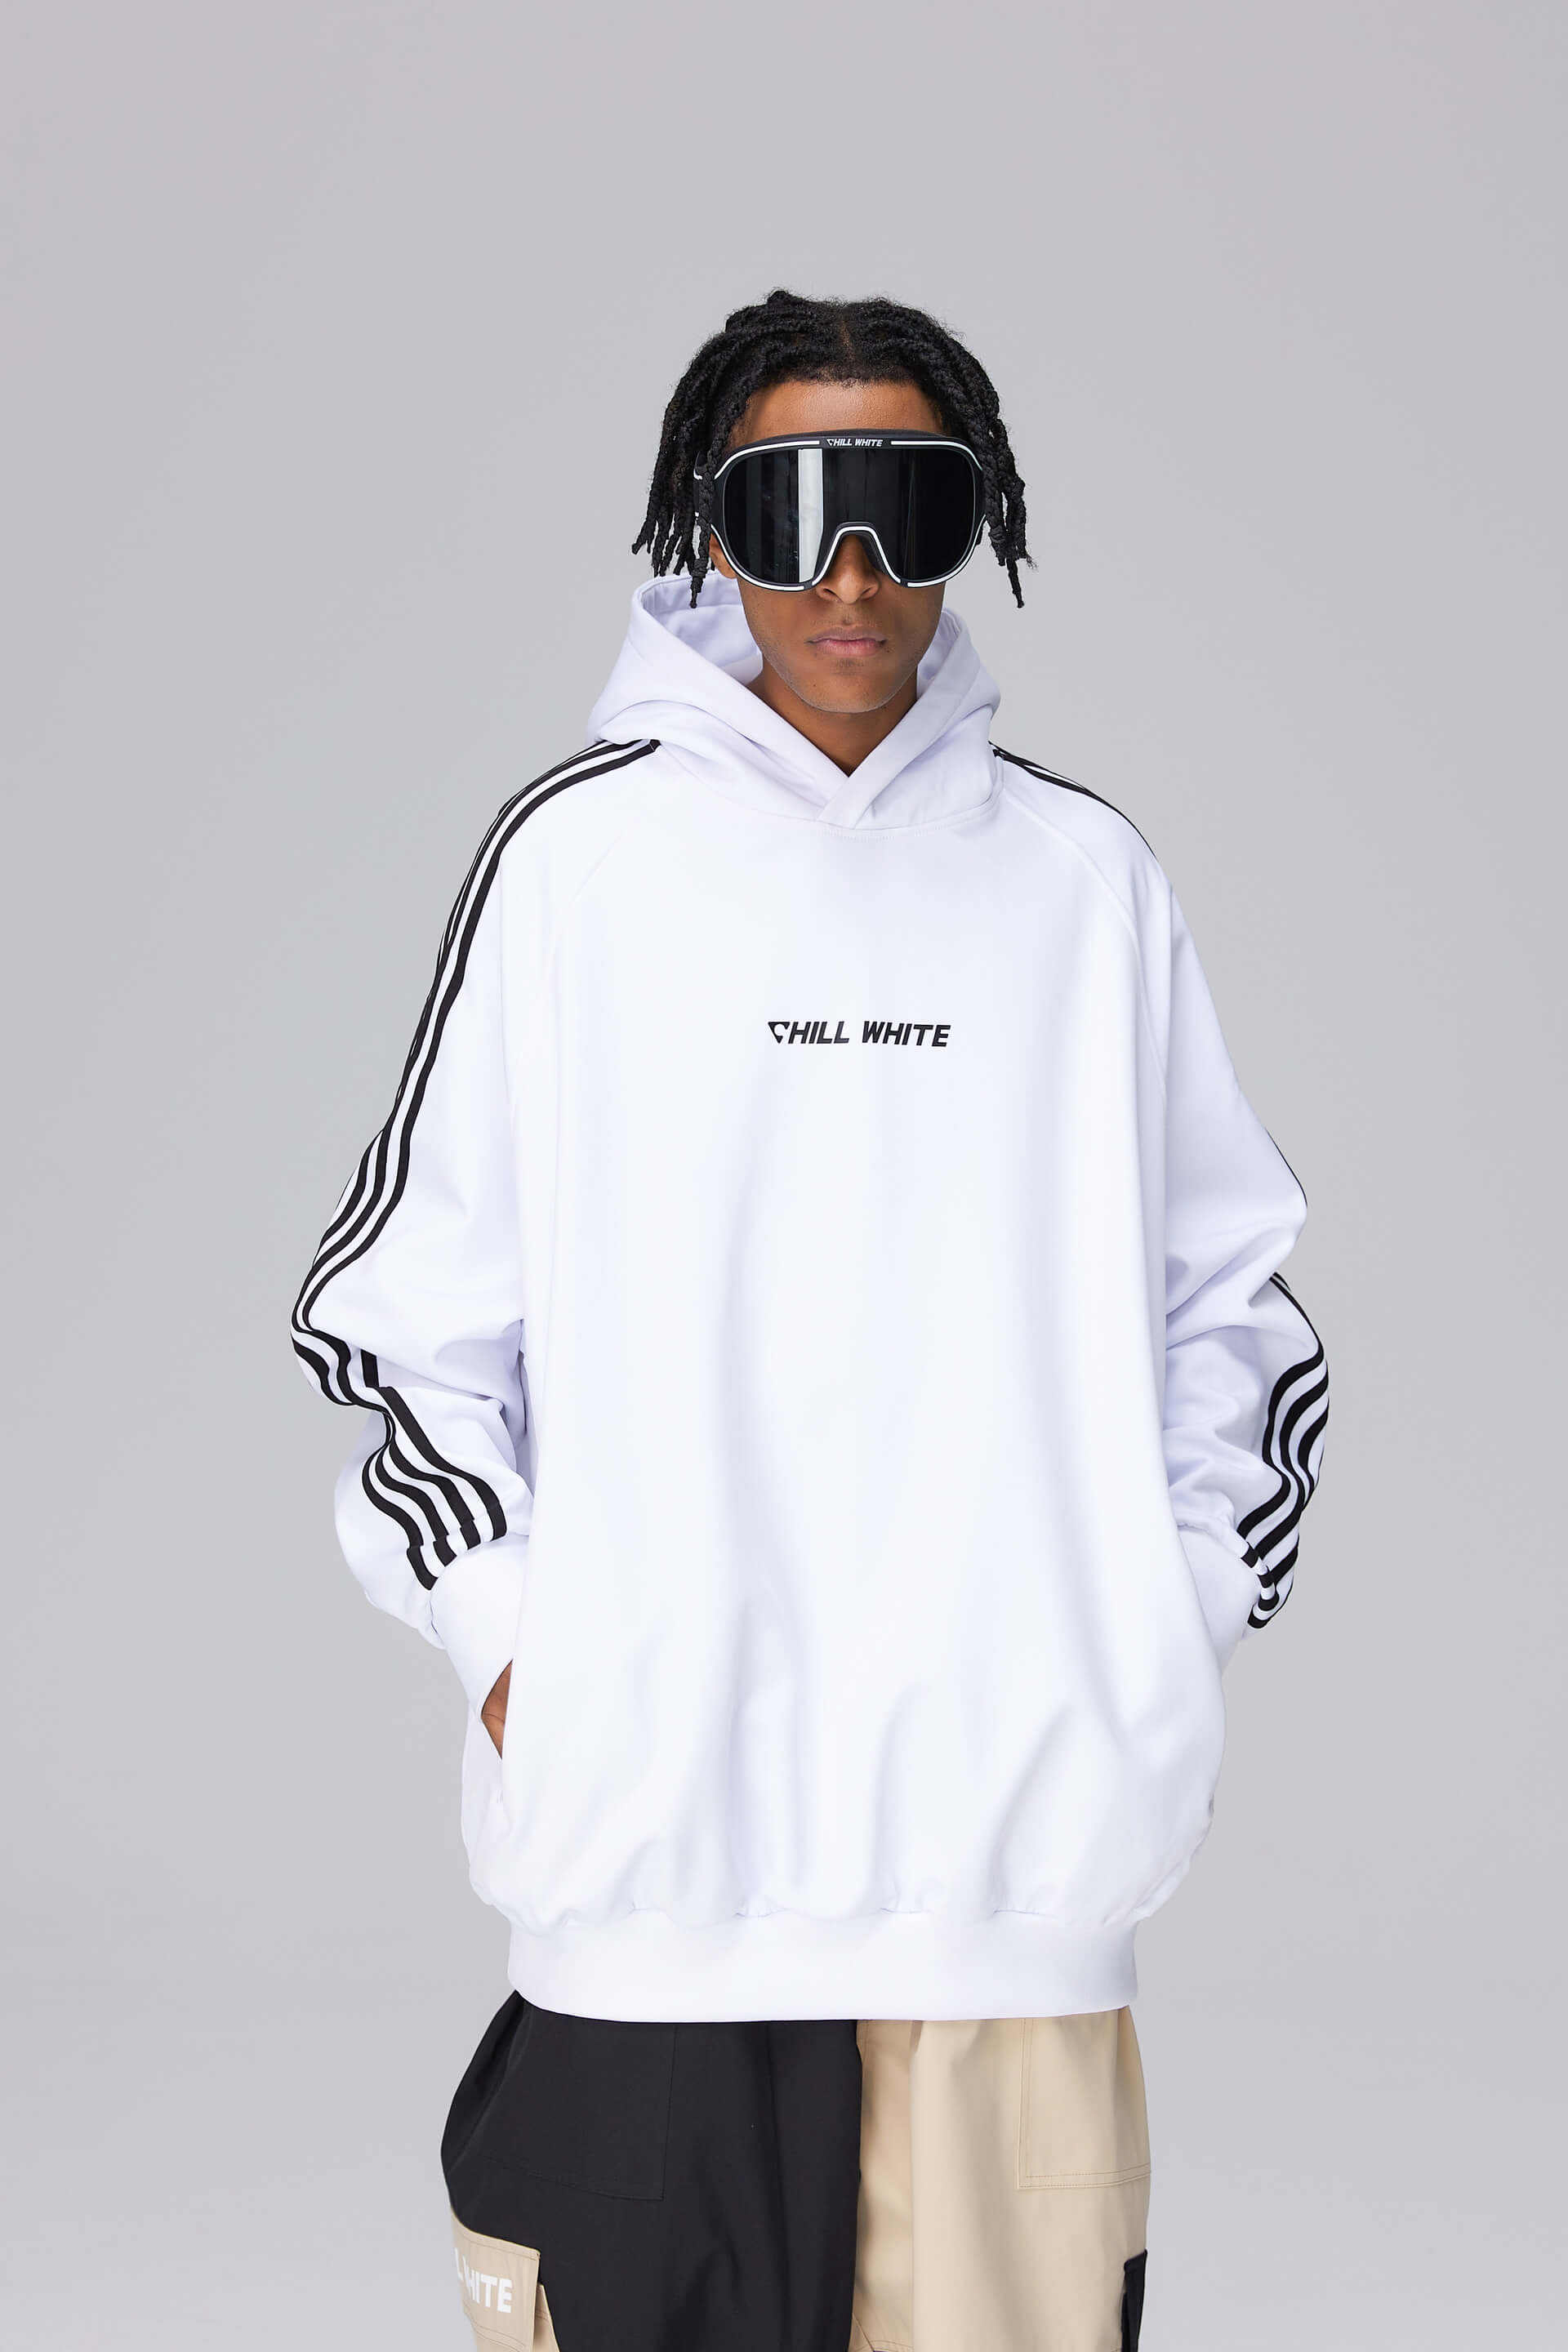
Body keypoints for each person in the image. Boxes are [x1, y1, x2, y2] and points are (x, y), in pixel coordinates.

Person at [292, 289, 1327, 2352]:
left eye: (907, 508)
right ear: (710, 528)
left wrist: (1159, 1630)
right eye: (790, 509)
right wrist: (523, 1658)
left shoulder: (1083, 884)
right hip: (646, 1913)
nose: (851, 573)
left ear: (975, 528)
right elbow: (399, 1327)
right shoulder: (577, 867)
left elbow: (1243, 1317)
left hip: (1015, 1920)